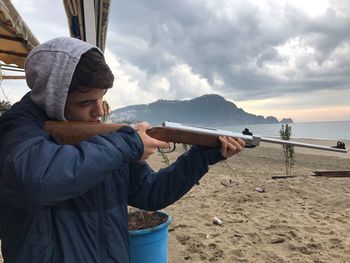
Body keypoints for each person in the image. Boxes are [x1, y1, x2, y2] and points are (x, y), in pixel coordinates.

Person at [0, 37, 245, 263]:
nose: (98, 111)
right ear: (53, 97)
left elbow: (151, 193)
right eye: (85, 103)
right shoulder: (18, 128)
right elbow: (34, 181)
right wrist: (128, 144)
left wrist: (201, 157)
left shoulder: (105, 139)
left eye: (102, 98)